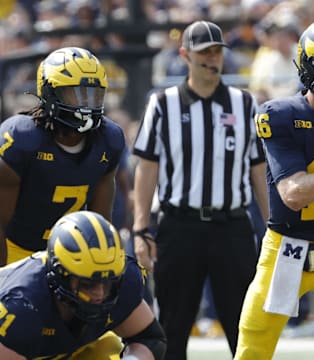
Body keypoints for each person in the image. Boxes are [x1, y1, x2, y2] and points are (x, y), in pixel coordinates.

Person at [132, 20, 268, 359]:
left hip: (231, 227)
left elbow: (258, 169)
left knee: (245, 327)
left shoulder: (244, 103)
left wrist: (273, 227)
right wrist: (139, 228)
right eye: (204, 51)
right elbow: (147, 166)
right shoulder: (163, 104)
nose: (212, 58)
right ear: (185, 55)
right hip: (180, 226)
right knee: (173, 328)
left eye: (216, 51)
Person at [234, 18, 314, 359]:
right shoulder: (281, 115)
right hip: (288, 253)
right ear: (311, 68)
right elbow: (293, 194)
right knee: (253, 349)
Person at [0, 46, 126, 266]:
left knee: (132, 293)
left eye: (93, 95)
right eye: (76, 94)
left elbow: (101, 224)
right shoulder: (23, 139)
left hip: (72, 254)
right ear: (50, 92)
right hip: (15, 251)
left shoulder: (108, 140)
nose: (87, 105)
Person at [0, 210, 166, 359]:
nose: (100, 293)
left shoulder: (124, 281)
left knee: (107, 350)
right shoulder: (21, 305)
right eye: (88, 284)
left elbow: (150, 338)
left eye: (107, 283)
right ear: (60, 275)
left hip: (66, 347)